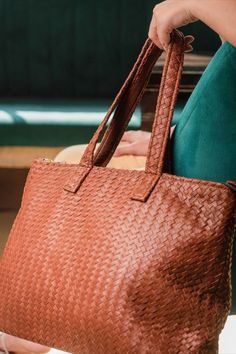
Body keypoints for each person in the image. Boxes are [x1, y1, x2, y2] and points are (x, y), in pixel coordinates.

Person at [1, 0, 235, 353]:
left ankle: (40, 334)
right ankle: (37, 329)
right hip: (206, 138)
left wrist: (195, 5)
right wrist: (171, 135)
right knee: (76, 164)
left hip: (215, 158)